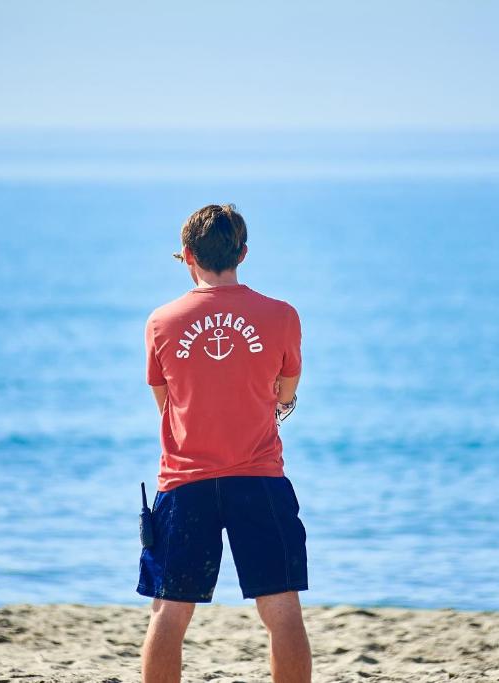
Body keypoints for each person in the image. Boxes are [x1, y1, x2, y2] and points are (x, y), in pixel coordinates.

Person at [138, 204, 311, 683]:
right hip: (259, 478)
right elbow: (285, 392)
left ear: (189, 254)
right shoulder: (282, 315)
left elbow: (165, 402)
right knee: (282, 608)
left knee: (169, 612)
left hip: (185, 481)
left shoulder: (162, 321)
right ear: (243, 253)